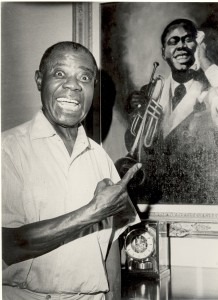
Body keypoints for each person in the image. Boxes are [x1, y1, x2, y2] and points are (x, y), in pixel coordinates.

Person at [2, 41, 141, 300]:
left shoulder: (100, 158)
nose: (73, 85)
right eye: (59, 74)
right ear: (39, 80)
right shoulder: (7, 150)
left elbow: (111, 246)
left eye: (85, 77)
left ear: (92, 89)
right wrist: (91, 213)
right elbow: (8, 246)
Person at [125, 18, 218, 204]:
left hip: (198, 199)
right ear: (164, 53)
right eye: (173, 41)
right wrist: (137, 115)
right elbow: (133, 145)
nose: (180, 45)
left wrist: (205, 62)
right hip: (154, 200)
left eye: (188, 40)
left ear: (197, 47)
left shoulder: (212, 92)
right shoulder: (151, 91)